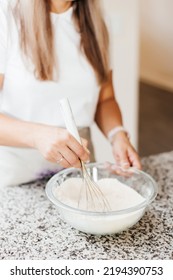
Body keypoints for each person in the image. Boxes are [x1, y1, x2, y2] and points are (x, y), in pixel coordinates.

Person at [0, 0, 141, 187]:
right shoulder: (6, 15)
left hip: (78, 171)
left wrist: (117, 135)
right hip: (15, 177)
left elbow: (105, 99)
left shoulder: (98, 23)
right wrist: (37, 136)